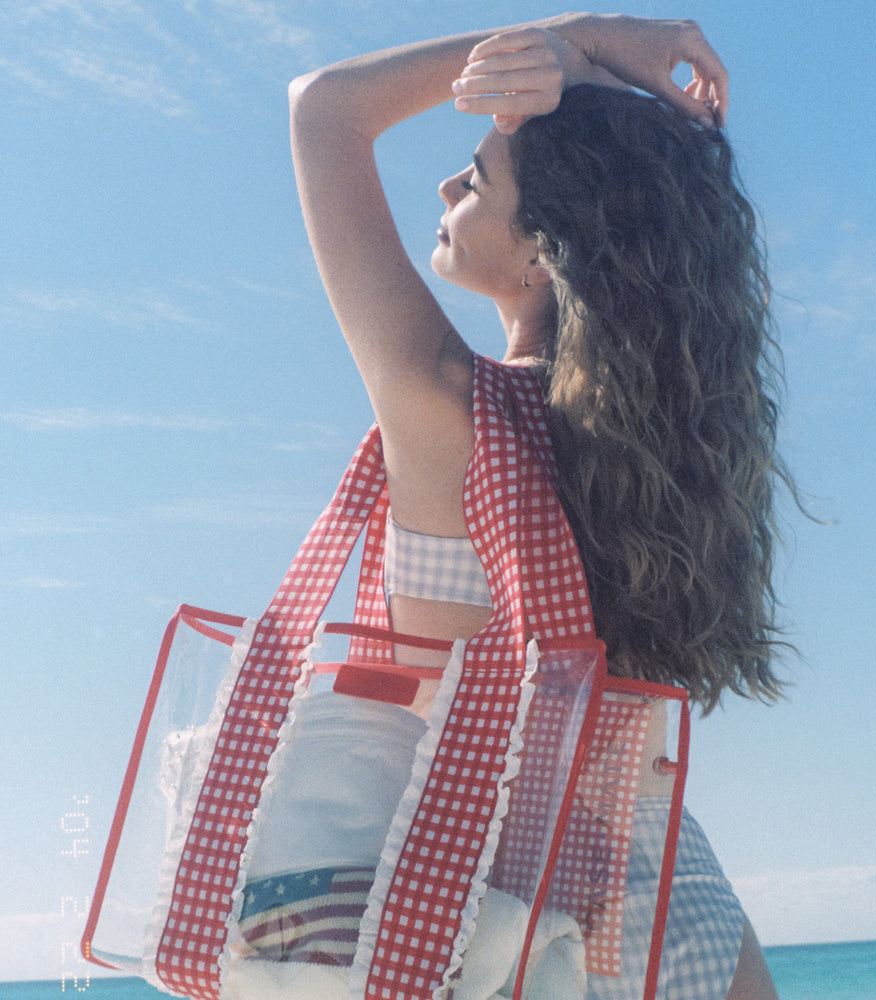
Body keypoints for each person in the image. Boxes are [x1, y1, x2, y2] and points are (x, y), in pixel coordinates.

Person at [287, 13, 785, 1000]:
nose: (443, 189)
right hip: (673, 900)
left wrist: (582, 31)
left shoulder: (443, 406)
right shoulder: (675, 460)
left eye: (472, 181)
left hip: (484, 909)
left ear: (541, 257)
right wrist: (581, 64)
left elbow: (325, 109)